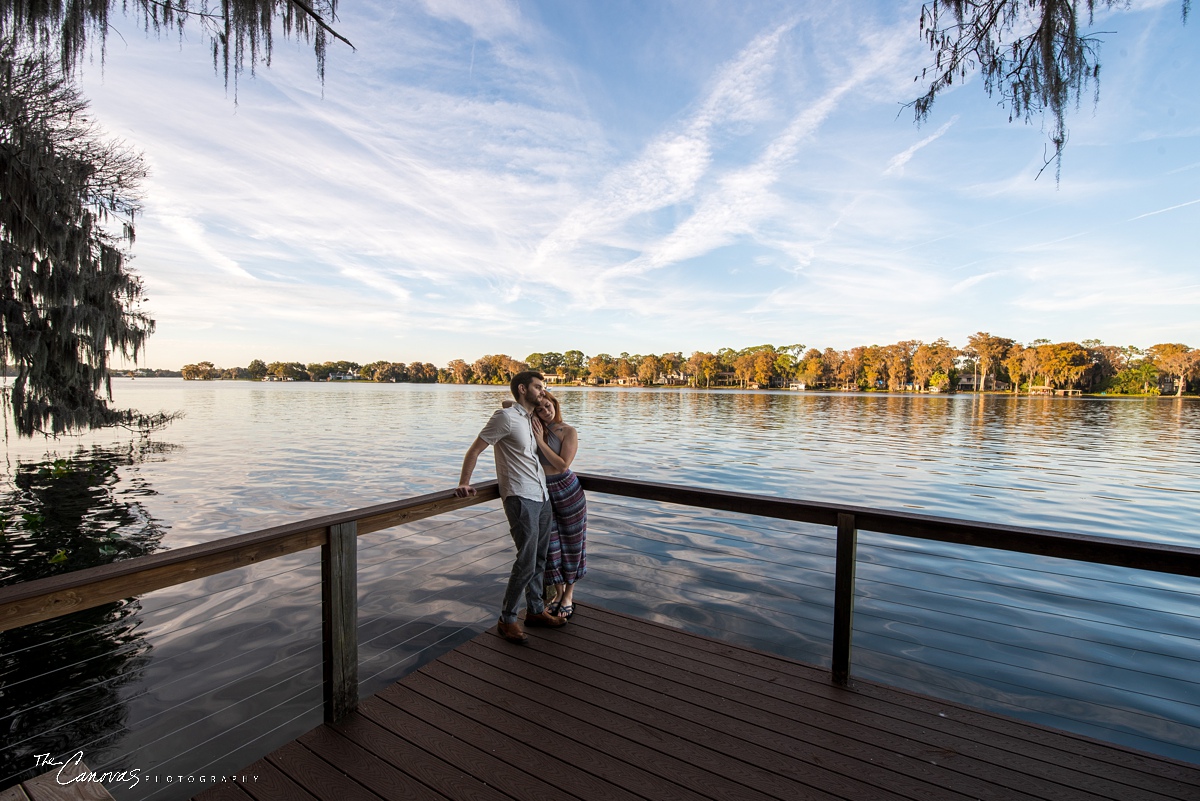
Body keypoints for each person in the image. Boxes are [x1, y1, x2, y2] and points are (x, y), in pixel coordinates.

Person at [455, 371, 567, 643]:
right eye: (538, 387)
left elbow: (515, 406)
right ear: (522, 388)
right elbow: (475, 450)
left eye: (543, 387)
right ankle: (507, 619)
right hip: (519, 496)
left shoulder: (529, 418)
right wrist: (464, 482)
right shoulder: (504, 418)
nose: (543, 391)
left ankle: (536, 611)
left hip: (541, 496)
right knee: (526, 560)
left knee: (540, 558)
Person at [530, 391, 586, 618]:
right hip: (543, 491)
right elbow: (507, 403)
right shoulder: (535, 426)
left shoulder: (568, 431)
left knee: (573, 544)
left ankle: (569, 595)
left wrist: (541, 442)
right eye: (540, 409)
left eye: (547, 405)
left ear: (554, 403)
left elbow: (563, 465)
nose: (545, 411)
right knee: (551, 546)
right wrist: (533, 396)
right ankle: (557, 593)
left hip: (567, 490)